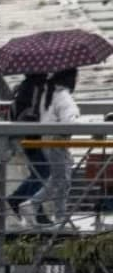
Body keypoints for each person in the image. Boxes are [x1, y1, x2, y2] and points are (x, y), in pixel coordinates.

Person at [30, 68, 80, 228]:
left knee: (60, 179)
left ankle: (55, 214)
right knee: (62, 180)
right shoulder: (63, 96)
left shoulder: (49, 93)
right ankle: (37, 205)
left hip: (47, 140)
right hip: (57, 142)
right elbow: (69, 121)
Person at [7, 73, 49, 227]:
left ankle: (37, 211)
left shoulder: (25, 86)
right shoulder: (36, 87)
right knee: (43, 172)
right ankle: (18, 200)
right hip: (33, 136)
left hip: (27, 136)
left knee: (39, 172)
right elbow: (36, 111)